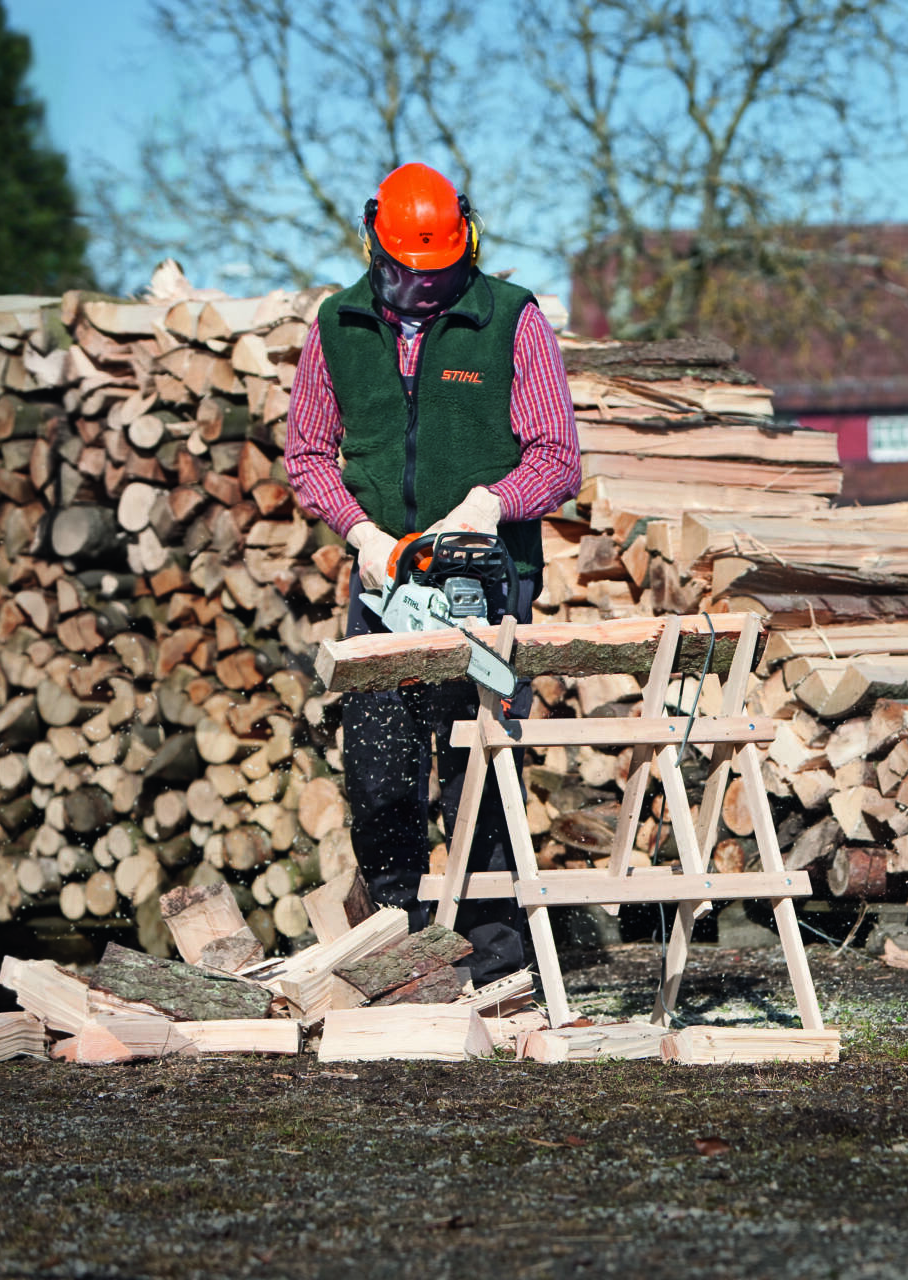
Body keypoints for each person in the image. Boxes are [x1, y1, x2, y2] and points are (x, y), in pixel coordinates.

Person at [286, 161, 580, 984]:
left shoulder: (510, 320)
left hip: (487, 579)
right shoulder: (338, 323)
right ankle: (394, 941)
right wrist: (360, 532)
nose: (419, 293)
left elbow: (557, 458)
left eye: (436, 277)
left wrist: (492, 503)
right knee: (380, 763)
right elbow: (307, 453)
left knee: (477, 760)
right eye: (402, 277)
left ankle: (493, 957)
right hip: (386, 576)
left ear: (467, 246)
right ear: (374, 246)